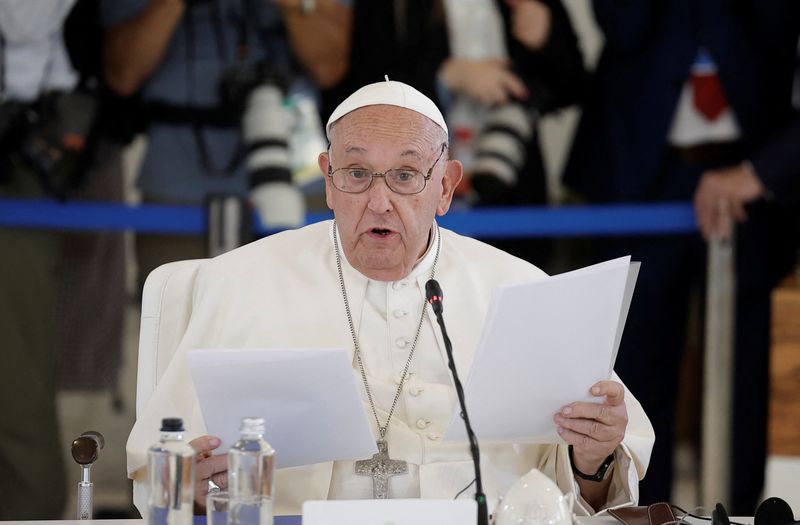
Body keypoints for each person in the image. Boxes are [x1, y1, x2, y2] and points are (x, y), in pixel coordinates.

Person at [126, 80, 654, 517]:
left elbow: (588, 497)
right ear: (328, 180)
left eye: (405, 176)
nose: (379, 202)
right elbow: (161, 477)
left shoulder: (521, 291)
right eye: (356, 174)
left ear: (445, 187)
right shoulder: (238, 283)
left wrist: (594, 458)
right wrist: (192, 490)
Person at [563, 0, 800, 512]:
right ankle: (645, 512)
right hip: (642, 173)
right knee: (637, 369)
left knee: (748, 371)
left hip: (751, 173)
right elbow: (621, 24)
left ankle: (736, 510)